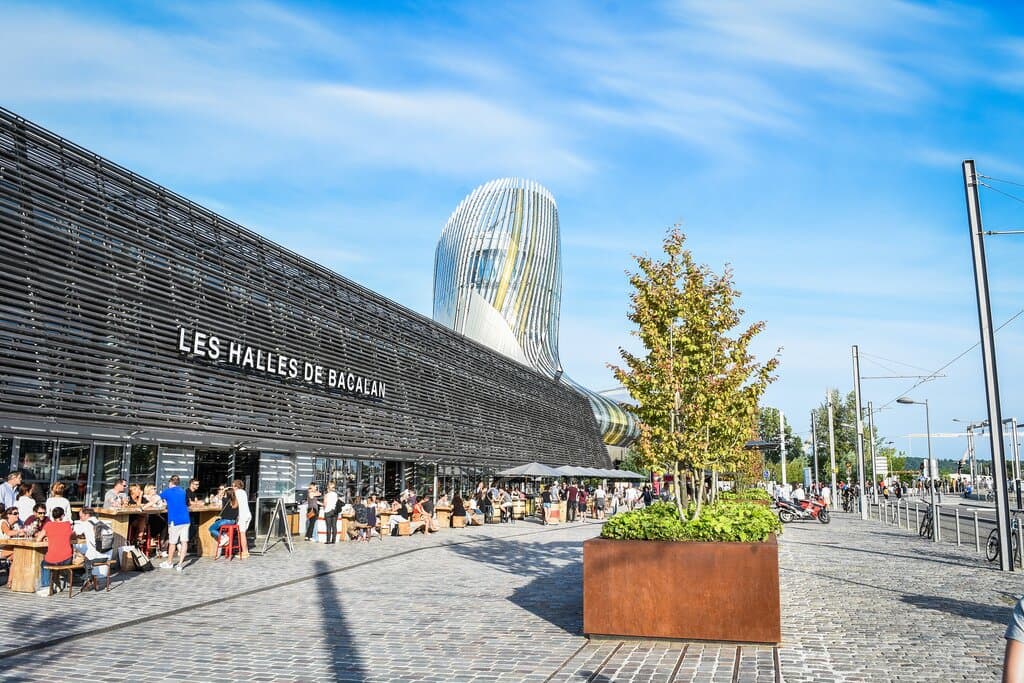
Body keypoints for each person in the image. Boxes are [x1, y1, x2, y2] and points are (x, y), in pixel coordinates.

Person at [35, 506, 74, 597]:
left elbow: (38, 539)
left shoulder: (48, 525)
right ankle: (56, 584)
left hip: (52, 559)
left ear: (52, 516)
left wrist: (47, 538)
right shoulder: (68, 525)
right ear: (63, 515)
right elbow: (71, 537)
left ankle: (46, 586)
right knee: (54, 562)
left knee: (44, 564)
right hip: (67, 558)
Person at [73, 507, 111, 589]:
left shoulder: (86, 523)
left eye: (81, 516)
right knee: (88, 552)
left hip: (94, 557)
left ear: (87, 515)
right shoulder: (101, 523)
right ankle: (93, 579)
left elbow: (74, 534)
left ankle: (88, 579)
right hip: (106, 556)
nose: (80, 519)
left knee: (82, 555)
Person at [160, 475, 190, 571]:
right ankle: (180, 564)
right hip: (185, 519)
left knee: (172, 542)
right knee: (184, 542)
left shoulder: (168, 491)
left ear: (170, 482)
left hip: (175, 520)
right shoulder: (183, 491)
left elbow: (156, 499)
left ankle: (169, 562)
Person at [209, 487, 240, 554]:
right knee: (217, 525)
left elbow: (219, 495)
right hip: (233, 522)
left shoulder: (225, 499)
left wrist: (224, 489)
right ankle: (224, 535)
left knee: (211, 529)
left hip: (226, 520)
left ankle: (223, 538)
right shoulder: (236, 501)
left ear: (226, 494)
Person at [232, 480, 251, 558]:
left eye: (234, 486)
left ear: (237, 486)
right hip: (248, 514)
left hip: (242, 516)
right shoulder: (243, 492)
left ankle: (245, 552)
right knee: (243, 533)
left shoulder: (237, 493)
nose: (233, 487)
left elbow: (235, 505)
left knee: (242, 534)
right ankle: (244, 550)